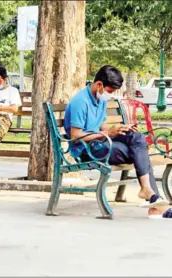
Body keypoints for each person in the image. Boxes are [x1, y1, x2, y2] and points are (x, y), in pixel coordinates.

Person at [64, 65, 172, 219]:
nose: (111, 95)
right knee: (138, 152)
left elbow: (102, 126)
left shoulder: (99, 99)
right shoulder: (80, 102)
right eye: (110, 91)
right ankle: (154, 203)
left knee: (138, 139)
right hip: (86, 149)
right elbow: (76, 136)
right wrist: (108, 133)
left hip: (102, 142)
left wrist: (120, 129)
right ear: (99, 84)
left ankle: (148, 191)